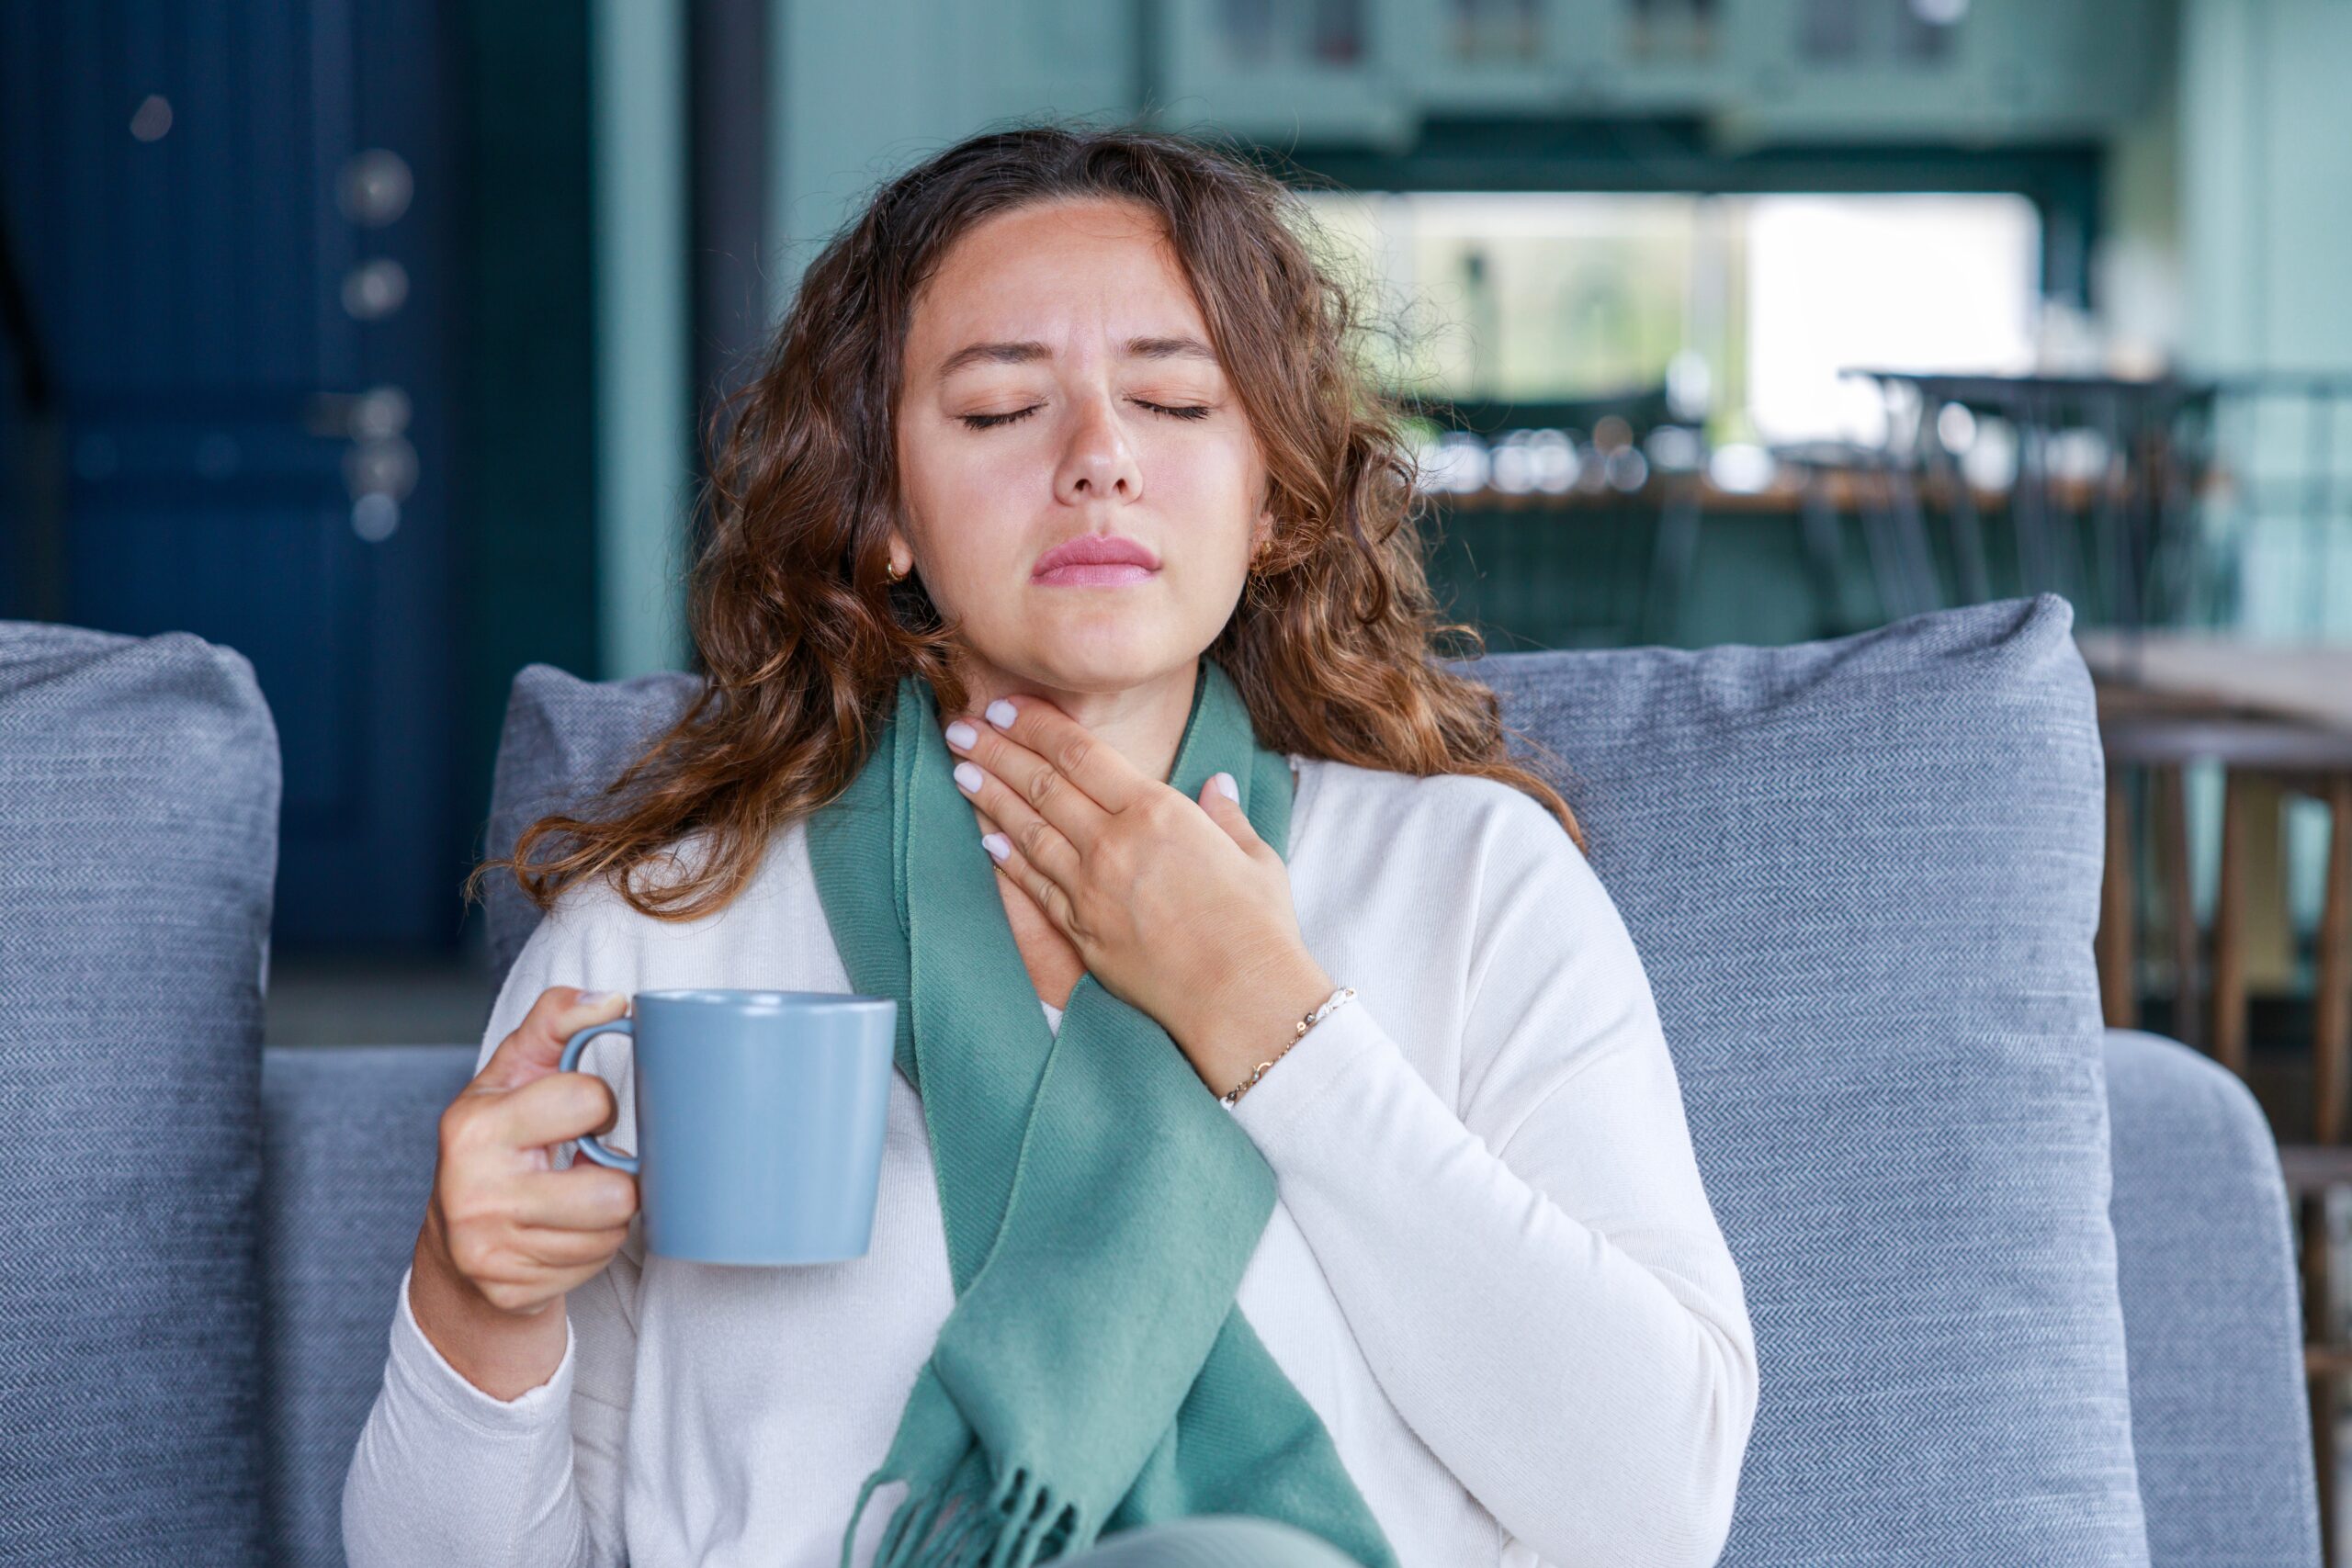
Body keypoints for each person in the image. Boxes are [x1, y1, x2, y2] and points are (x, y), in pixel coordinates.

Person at [341, 120, 1758, 1568]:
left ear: (1269, 495)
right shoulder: (663, 932)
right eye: (1001, 411)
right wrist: (476, 1300)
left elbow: (1656, 1506)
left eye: (1173, 399)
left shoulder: (1472, 885)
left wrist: (1275, 1025)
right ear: (883, 508)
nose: (1099, 461)